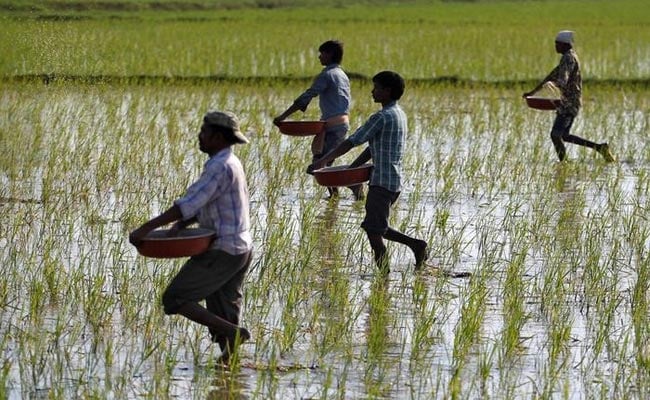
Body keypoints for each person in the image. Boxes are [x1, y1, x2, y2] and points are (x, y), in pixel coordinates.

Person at [129, 111, 253, 365]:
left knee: (175, 298)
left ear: (217, 137)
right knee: (223, 309)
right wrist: (184, 223)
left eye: (204, 132)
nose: (200, 136)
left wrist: (145, 229)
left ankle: (234, 334)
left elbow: (188, 203)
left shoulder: (219, 167)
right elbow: (208, 205)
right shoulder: (230, 162)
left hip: (223, 249)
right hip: (240, 248)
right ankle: (230, 373)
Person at [308, 71, 428, 272]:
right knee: (378, 226)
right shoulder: (399, 114)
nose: (373, 91)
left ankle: (386, 274)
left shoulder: (381, 116)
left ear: (387, 91)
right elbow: (373, 147)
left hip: (381, 182)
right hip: (392, 181)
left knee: (374, 231)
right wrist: (352, 168)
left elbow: (351, 141)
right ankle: (412, 248)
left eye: (377, 88)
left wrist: (321, 161)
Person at [273, 39, 362, 200]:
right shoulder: (342, 74)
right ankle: (335, 194)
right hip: (339, 123)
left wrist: (283, 116)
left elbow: (308, 95)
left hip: (334, 125)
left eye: (322, 53)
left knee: (321, 162)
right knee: (322, 160)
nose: (319, 57)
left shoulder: (327, 75)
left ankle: (351, 184)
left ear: (330, 54)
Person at [523, 30, 615, 162]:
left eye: (557, 44)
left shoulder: (568, 58)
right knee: (563, 135)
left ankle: (564, 163)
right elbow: (552, 75)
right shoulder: (568, 57)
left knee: (555, 135)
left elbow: (562, 80)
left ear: (564, 44)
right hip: (569, 102)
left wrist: (553, 85)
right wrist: (533, 92)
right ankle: (599, 148)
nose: (555, 46)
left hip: (569, 103)